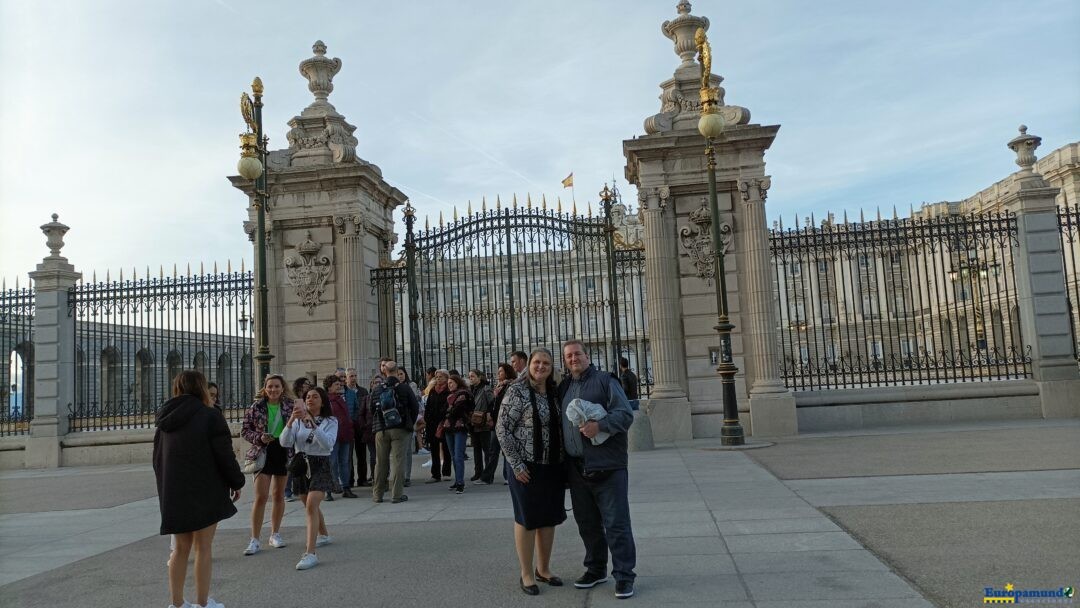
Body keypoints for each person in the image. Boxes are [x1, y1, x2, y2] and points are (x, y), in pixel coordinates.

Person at [155, 370, 244, 608]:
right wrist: (237, 481)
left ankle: (177, 604)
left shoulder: (164, 419)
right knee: (203, 547)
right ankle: (203, 604)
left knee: (180, 549)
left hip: (174, 491)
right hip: (206, 488)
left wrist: (165, 488)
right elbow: (224, 454)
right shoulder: (210, 415)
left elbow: (157, 459)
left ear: (177, 388)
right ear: (202, 388)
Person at [558, 340, 637, 600]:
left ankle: (624, 576)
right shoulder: (564, 386)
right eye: (568, 355)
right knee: (587, 523)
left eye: (577, 354)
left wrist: (600, 426)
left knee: (616, 523)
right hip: (577, 469)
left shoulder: (605, 380)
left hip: (608, 465)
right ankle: (596, 568)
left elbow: (625, 415)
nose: (573, 359)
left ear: (587, 356)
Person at [496, 348, 566, 596]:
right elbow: (502, 429)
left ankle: (543, 569)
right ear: (529, 364)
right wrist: (515, 464)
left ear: (551, 366)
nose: (541, 366)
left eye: (546, 363)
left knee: (548, 518)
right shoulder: (517, 390)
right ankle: (526, 573)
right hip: (525, 465)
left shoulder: (556, 391)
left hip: (552, 464)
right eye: (537, 362)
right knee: (527, 518)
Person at [279, 386, 338, 571]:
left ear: (322, 401)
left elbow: (328, 444)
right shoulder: (297, 422)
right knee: (309, 505)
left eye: (315, 397)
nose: (310, 399)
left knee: (312, 504)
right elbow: (285, 442)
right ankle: (324, 534)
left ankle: (310, 553)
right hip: (301, 464)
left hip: (320, 464)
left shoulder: (330, 420)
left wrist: (313, 424)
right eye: (307, 397)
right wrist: (290, 421)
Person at [240, 374, 294, 556]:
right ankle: (254, 538)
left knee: (278, 495)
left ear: (282, 388)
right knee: (261, 496)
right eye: (270, 386)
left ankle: (275, 534)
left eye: (277, 386)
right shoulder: (256, 407)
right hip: (263, 450)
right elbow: (245, 430)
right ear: (265, 388)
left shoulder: (289, 406)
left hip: (283, 450)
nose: (273, 390)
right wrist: (259, 437)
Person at [371, 362, 421, 504]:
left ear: (384, 371)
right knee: (399, 462)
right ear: (397, 371)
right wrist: (409, 422)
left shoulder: (377, 389)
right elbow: (415, 407)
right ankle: (397, 495)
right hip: (400, 428)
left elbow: (371, 409)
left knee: (380, 463)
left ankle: (377, 495)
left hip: (381, 429)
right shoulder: (404, 388)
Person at [477, 362, 517, 485]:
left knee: (504, 450)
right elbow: (493, 403)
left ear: (507, 373)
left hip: (504, 422)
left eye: (500, 371)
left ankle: (507, 476)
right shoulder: (499, 386)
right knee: (493, 450)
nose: (497, 373)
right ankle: (488, 477)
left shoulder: (510, 385)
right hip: (496, 423)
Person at [324, 375, 357, 498]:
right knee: (332, 462)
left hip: (345, 434)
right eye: (336, 385)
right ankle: (329, 489)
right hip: (332, 436)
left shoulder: (341, 399)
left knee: (344, 462)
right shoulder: (326, 400)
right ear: (329, 387)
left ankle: (346, 487)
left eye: (339, 384)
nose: (339, 386)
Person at [443, 373, 473, 493]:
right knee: (453, 456)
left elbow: (457, 410)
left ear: (457, 383)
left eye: (451, 383)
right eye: (448, 383)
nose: (449, 385)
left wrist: (449, 411)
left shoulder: (463, 394)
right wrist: (448, 411)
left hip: (459, 427)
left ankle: (460, 482)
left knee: (458, 455)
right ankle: (457, 480)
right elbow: (443, 410)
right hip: (449, 428)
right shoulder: (450, 396)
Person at [422, 370, 451, 483]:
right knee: (434, 449)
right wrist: (427, 417)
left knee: (446, 447)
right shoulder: (433, 390)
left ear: (446, 378)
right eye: (437, 377)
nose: (438, 379)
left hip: (443, 422)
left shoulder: (448, 391)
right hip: (432, 423)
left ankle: (446, 472)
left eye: (441, 377)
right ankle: (435, 474)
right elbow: (428, 405)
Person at [394, 367, 421, 486]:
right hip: (396, 422)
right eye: (397, 374)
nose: (400, 376)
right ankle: (399, 474)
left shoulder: (411, 385)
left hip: (408, 420)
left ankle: (407, 476)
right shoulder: (392, 386)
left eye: (401, 374)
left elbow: (414, 403)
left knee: (408, 449)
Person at [343, 368, 369, 489]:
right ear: (346, 378)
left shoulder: (363, 391)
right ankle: (350, 479)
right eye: (351, 376)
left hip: (360, 427)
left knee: (361, 454)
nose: (353, 378)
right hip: (349, 427)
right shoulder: (344, 392)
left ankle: (362, 479)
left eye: (355, 375)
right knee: (348, 455)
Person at [467, 369, 494, 482]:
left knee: (486, 449)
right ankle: (478, 472)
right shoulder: (471, 390)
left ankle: (488, 474)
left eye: (473, 376)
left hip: (483, 422)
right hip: (473, 422)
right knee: (476, 449)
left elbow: (492, 402)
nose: (471, 379)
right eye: (470, 377)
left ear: (479, 377)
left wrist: (488, 414)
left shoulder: (486, 388)